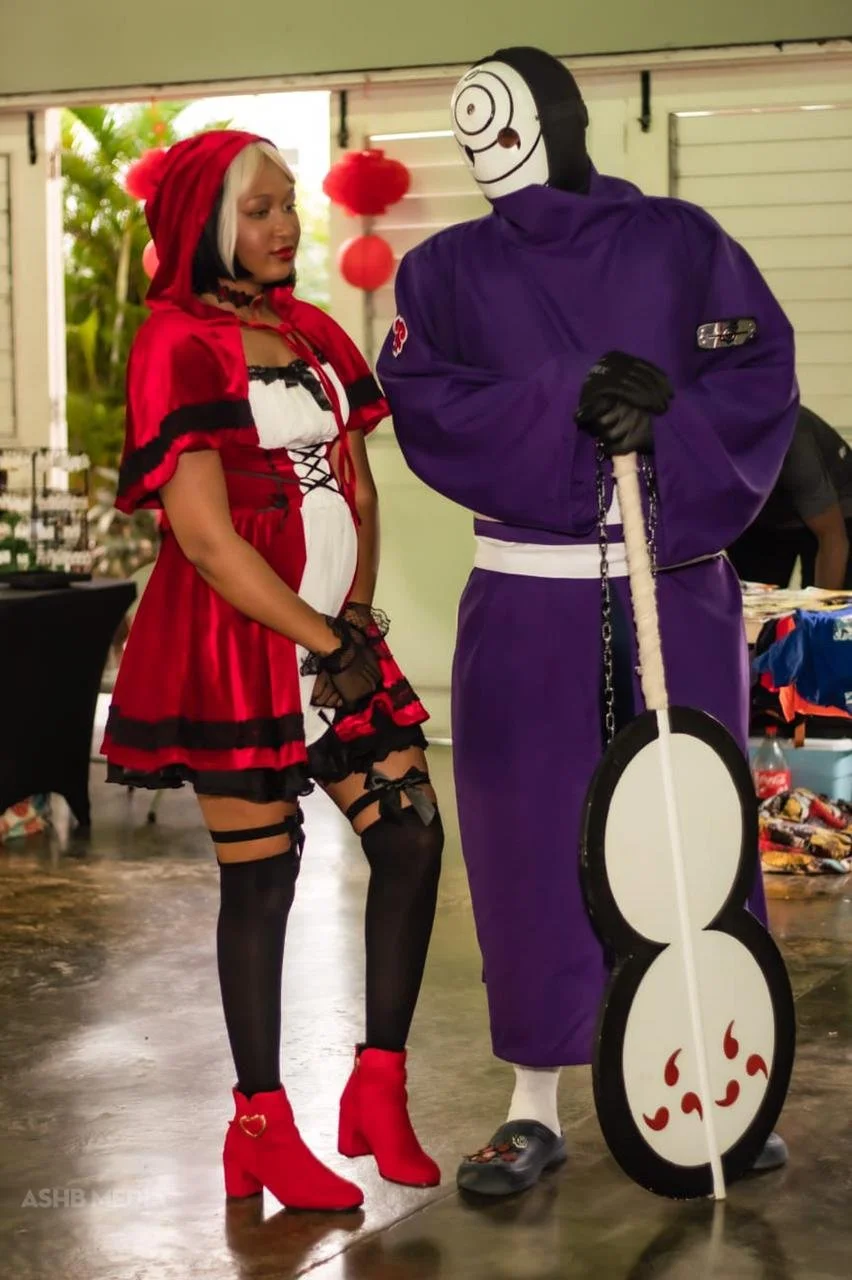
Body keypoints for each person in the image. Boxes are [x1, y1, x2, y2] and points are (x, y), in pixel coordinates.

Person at [376, 47, 798, 1196]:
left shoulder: (682, 242)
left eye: (505, 122)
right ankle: (532, 1100)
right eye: (467, 130)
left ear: (560, 120)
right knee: (530, 839)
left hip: (675, 585)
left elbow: (758, 367)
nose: (486, 146)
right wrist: (563, 392)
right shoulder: (442, 272)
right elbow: (427, 402)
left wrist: (668, 417)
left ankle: (722, 1079)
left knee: (695, 827)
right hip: (528, 597)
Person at [102, 130, 443, 1211]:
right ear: (203, 221)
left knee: (412, 837)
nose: (286, 225)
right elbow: (206, 539)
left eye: (289, 203)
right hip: (236, 650)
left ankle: (377, 1089)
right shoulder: (173, 344)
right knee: (264, 880)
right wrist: (322, 638)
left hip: (338, 640)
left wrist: (355, 625)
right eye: (259, 208)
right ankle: (259, 1127)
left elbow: (358, 488)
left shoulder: (311, 329)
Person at [728, 405, 852, 590]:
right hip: (761, 514)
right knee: (756, 597)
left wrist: (823, 605)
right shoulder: (706, 444)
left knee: (832, 598)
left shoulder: (795, 445)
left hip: (836, 510)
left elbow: (832, 536)